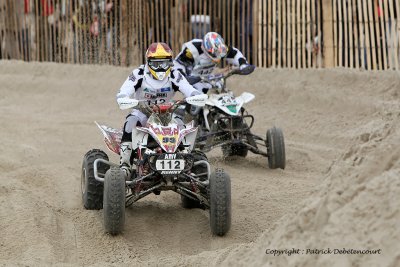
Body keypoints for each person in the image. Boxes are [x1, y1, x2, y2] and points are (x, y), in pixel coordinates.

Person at [116, 42, 203, 177]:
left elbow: (189, 89)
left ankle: (186, 162)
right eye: (156, 64)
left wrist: (196, 95)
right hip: (142, 113)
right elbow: (124, 91)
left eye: (164, 63)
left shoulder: (175, 74)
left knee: (182, 127)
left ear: (171, 62)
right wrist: (125, 99)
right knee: (130, 123)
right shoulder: (139, 73)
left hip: (167, 113)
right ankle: (125, 165)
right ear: (148, 62)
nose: (161, 67)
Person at [174, 31, 253, 93]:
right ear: (205, 47)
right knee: (199, 94)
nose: (217, 55)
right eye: (214, 53)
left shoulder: (220, 49)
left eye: (218, 52)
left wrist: (243, 64)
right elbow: (179, 66)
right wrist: (185, 78)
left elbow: (234, 53)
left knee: (222, 91)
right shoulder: (192, 51)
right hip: (191, 77)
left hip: (208, 77)